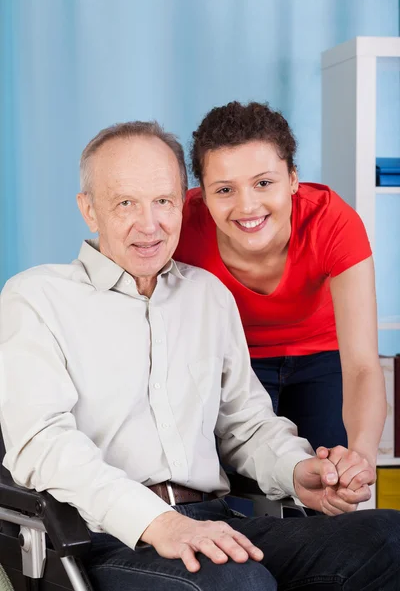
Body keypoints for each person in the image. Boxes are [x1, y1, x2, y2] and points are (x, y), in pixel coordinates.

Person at [0, 121, 398, 591]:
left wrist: (298, 469)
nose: (149, 225)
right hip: (105, 536)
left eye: (164, 201)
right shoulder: (37, 297)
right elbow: (43, 444)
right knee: (237, 581)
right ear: (89, 209)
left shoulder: (208, 296)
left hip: (215, 520)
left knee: (388, 538)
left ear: (184, 205)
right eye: (125, 202)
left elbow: (246, 425)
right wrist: (157, 523)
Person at [175, 101, 386, 477]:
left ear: (293, 180)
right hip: (231, 363)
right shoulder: (180, 227)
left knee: (330, 486)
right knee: (234, 500)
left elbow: (363, 366)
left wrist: (362, 456)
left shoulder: (333, 223)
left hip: (321, 357)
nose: (247, 205)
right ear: (202, 195)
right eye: (225, 189)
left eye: (263, 183)